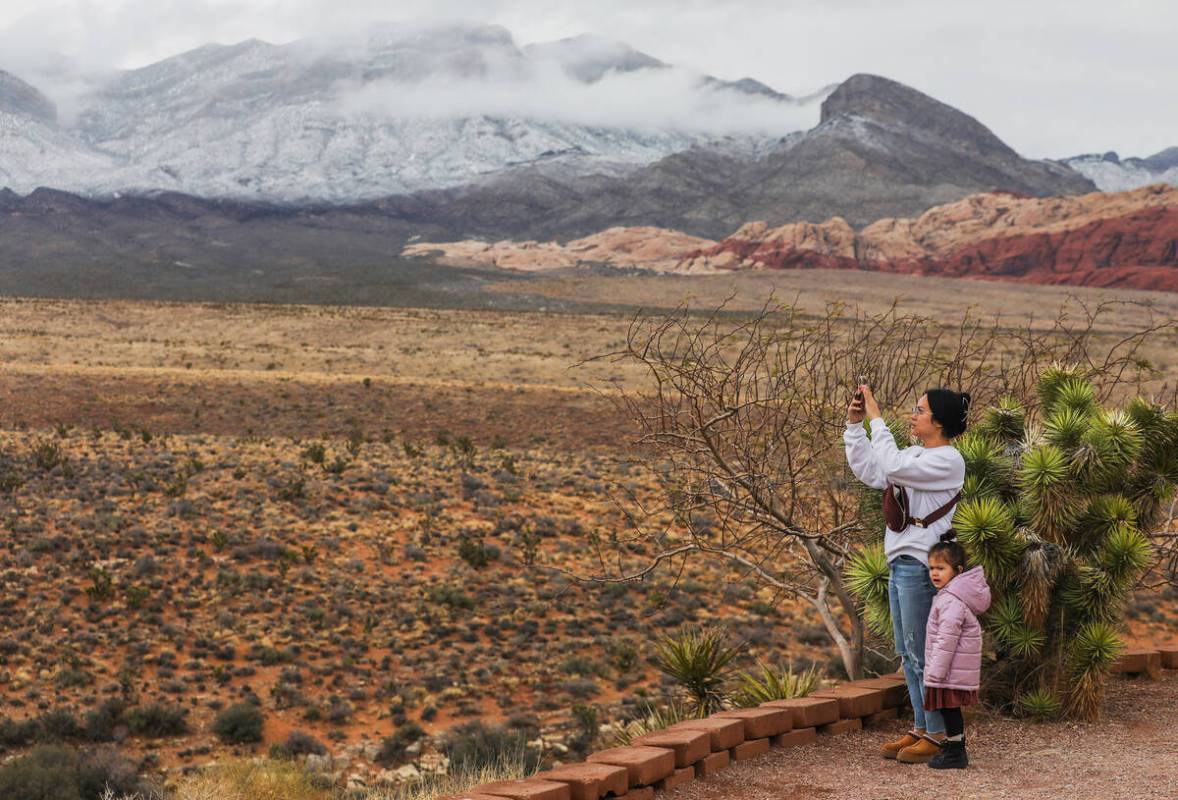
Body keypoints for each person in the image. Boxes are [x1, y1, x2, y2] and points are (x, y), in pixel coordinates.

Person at [844, 383, 970, 764]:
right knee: (907, 652)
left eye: (920, 410)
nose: (913, 415)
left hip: (920, 565)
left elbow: (893, 465)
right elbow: (872, 470)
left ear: (940, 421)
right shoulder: (916, 454)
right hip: (900, 561)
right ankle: (922, 727)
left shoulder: (948, 460)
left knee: (922, 652)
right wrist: (854, 428)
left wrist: (876, 419)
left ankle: (936, 735)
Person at [923, 530, 991, 769]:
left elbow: (947, 638)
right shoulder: (949, 595)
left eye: (941, 568)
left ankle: (956, 753)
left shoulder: (951, 600)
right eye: (931, 568)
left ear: (958, 571)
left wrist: (935, 672)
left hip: (948, 670)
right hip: (950, 668)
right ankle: (954, 746)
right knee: (948, 709)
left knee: (949, 710)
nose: (934, 573)